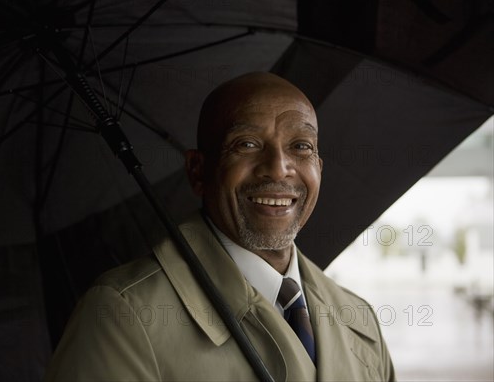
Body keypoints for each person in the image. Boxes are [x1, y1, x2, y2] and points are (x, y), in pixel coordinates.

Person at [44, 72, 396, 381]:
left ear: (319, 165)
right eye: (246, 144)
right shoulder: (124, 315)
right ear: (198, 170)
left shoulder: (359, 319)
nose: (278, 168)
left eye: (300, 146)